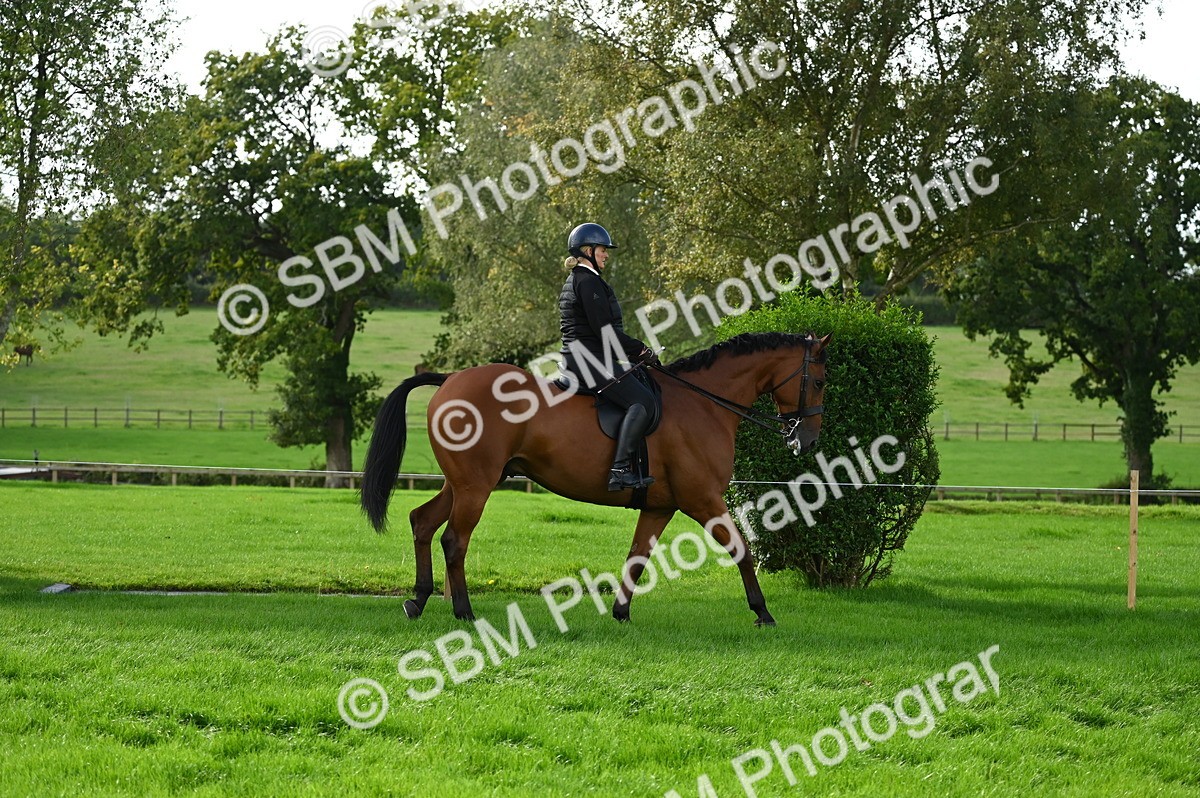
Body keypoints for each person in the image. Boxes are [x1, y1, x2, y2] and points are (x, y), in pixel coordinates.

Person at [559, 223, 658, 491]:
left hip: (584, 357)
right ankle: (620, 470)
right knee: (642, 400)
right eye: (602, 249)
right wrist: (640, 350)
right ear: (588, 251)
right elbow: (605, 332)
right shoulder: (588, 282)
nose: (606, 255)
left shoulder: (580, 279)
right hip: (589, 360)